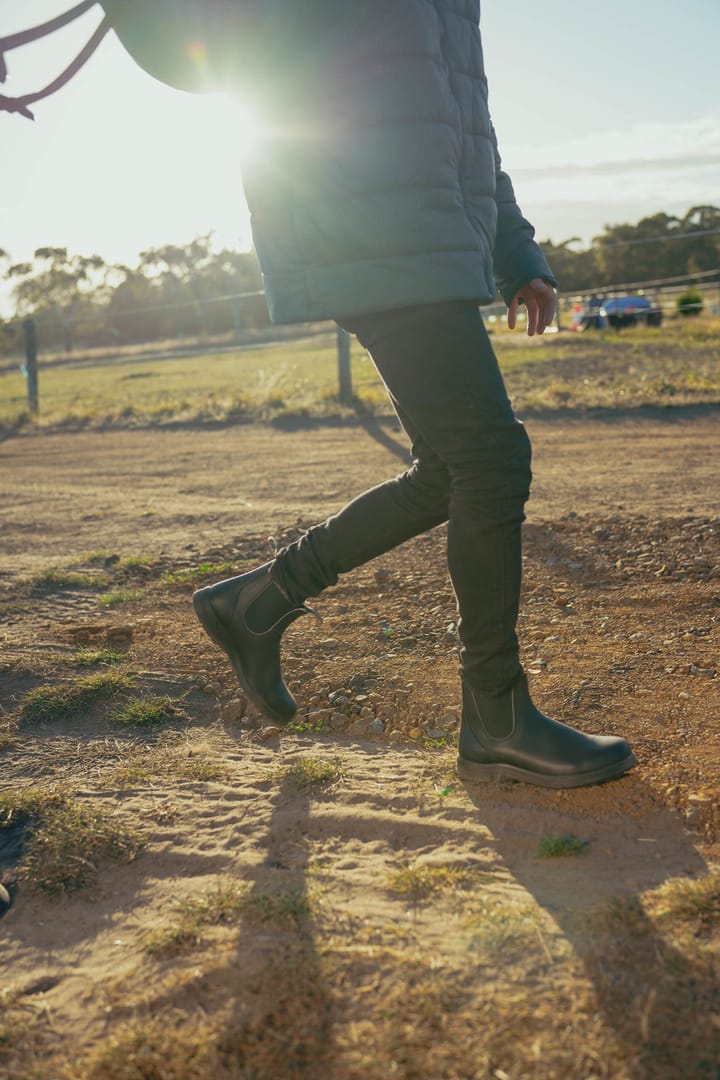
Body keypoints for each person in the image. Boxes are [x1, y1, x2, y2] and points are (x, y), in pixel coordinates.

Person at [2, 1, 635, 788]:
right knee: (493, 460)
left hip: (425, 230)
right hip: (367, 227)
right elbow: (219, 51)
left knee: (451, 469)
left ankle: (259, 602)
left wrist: (516, 248)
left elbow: (465, 119)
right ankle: (496, 715)